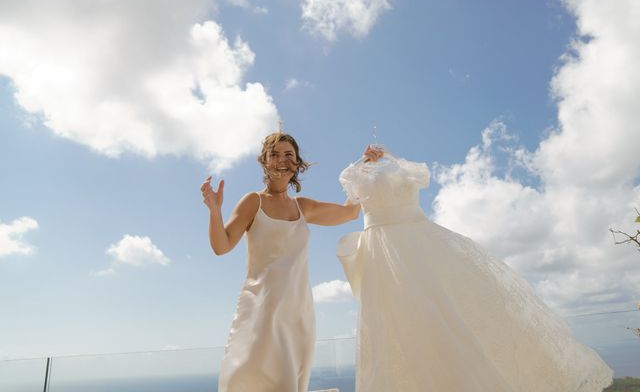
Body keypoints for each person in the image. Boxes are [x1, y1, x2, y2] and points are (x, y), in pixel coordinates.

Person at [337, 147, 614, 392]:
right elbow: (349, 209)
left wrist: (390, 155)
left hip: (421, 246)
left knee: (449, 318)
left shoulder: (407, 169)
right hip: (383, 256)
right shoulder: (354, 175)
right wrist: (364, 163)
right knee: (396, 330)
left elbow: (418, 175)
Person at [200, 133, 382, 392]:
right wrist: (215, 211)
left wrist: (366, 167)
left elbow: (350, 212)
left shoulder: (303, 208)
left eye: (289, 155)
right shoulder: (254, 202)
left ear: (297, 165)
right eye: (274, 154)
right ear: (264, 160)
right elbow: (222, 246)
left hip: (297, 315)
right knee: (247, 379)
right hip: (259, 312)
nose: (281, 160)